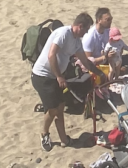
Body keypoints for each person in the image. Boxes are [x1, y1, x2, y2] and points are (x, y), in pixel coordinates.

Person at [31, 12, 105, 152]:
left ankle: (64, 139)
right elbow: (51, 55)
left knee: (60, 108)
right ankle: (44, 134)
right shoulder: (63, 33)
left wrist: (99, 73)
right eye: (86, 29)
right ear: (80, 26)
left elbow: (85, 62)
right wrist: (59, 76)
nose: (86, 32)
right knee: (52, 110)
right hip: (42, 76)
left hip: (56, 77)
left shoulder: (77, 41)